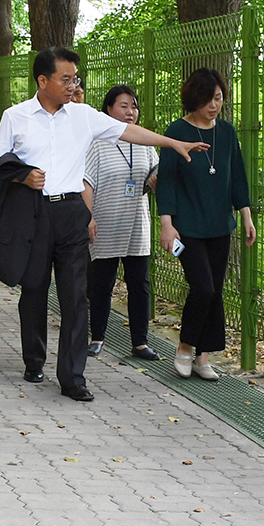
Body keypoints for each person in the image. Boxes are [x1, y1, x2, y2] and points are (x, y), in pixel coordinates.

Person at [0, 47, 206, 402]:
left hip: (72, 213)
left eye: (76, 78)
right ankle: (34, 358)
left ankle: (73, 378)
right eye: (66, 79)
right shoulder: (17, 116)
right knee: (35, 290)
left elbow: (129, 132)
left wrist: (172, 142)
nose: (73, 85)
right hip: (33, 214)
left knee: (76, 297)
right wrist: (25, 177)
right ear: (43, 81)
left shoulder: (84, 115)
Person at [156, 67, 256, 381]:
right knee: (202, 287)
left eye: (218, 98)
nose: (213, 105)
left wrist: (246, 215)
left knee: (215, 292)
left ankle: (203, 357)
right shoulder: (177, 131)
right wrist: (166, 224)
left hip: (219, 225)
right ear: (192, 99)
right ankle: (185, 346)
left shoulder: (226, 132)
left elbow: (237, 174)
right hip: (187, 227)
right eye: (207, 99)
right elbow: (166, 182)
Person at [82, 85, 160, 361]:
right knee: (102, 283)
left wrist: (154, 180)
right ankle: (97, 337)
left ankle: (140, 342)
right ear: (108, 110)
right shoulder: (97, 142)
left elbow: (153, 177)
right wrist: (88, 216)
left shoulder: (145, 143)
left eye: (134, 106)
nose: (130, 112)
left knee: (139, 283)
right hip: (105, 222)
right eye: (124, 105)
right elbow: (86, 181)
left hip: (137, 223)